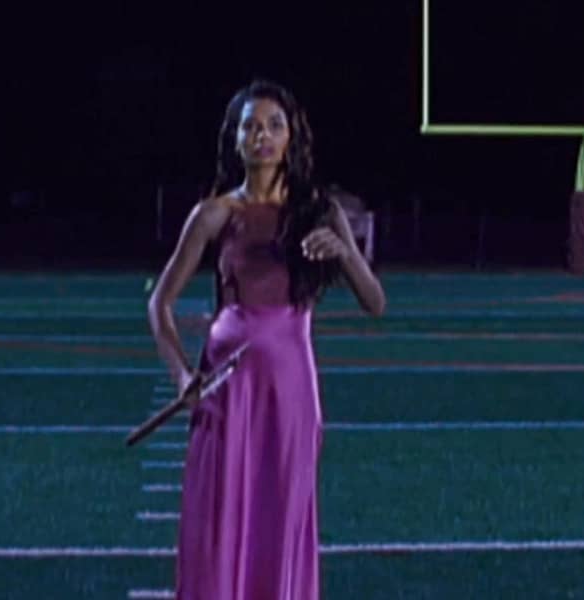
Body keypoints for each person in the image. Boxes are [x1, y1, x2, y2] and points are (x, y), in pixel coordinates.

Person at [147, 79, 385, 599]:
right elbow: (158, 303)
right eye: (250, 126)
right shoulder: (214, 214)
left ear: (291, 137)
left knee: (282, 513)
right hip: (229, 390)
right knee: (220, 514)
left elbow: (376, 303)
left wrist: (345, 254)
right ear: (234, 139)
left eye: (274, 125)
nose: (262, 136)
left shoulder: (320, 210)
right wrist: (183, 375)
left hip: (292, 387)